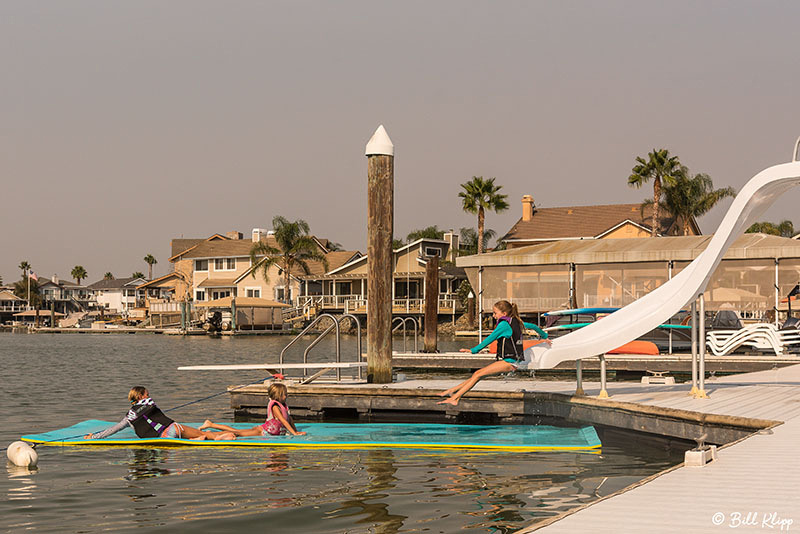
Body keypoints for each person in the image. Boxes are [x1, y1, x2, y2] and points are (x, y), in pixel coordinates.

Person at [438, 300, 548, 406]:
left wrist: (473, 350)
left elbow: (490, 339)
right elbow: (534, 326)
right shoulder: (517, 321)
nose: (494, 316)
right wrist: (544, 336)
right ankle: (452, 391)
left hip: (510, 362)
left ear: (504, 313)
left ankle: (455, 398)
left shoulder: (504, 325)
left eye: (495, 313)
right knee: (478, 375)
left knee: (478, 374)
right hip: (514, 361)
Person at [84, 386, 234, 441]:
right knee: (209, 435)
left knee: (197, 436)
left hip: (162, 438)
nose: (149, 396)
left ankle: (195, 440)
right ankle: (221, 436)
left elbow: (114, 429)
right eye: (147, 394)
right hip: (173, 430)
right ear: (141, 396)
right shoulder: (149, 403)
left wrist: (94, 437)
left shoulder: (129, 416)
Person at [199, 382, 306, 437]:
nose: (286, 396)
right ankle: (209, 431)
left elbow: (289, 419)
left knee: (237, 432)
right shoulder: (275, 406)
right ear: (278, 396)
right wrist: (294, 434)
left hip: (268, 432)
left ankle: (211, 425)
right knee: (237, 433)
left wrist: (295, 431)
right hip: (264, 432)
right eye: (284, 394)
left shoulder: (284, 405)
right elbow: (282, 420)